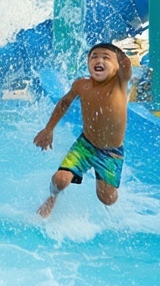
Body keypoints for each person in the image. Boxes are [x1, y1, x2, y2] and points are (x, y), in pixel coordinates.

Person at [32, 43, 133, 218]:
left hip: (111, 152)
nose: (99, 60)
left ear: (117, 66)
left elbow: (126, 66)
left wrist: (122, 56)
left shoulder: (119, 83)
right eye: (94, 56)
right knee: (60, 180)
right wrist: (49, 129)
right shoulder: (81, 84)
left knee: (107, 198)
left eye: (106, 57)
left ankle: (114, 190)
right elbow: (64, 102)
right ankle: (52, 198)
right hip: (86, 144)